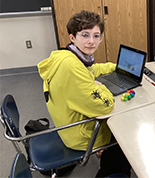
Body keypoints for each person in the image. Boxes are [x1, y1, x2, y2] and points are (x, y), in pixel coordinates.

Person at [38, 10, 131, 177]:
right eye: (85, 35)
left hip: (65, 125)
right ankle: (110, 173)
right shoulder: (73, 68)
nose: (92, 41)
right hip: (80, 135)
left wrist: (116, 68)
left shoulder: (66, 56)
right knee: (123, 132)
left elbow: (91, 70)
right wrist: (100, 86)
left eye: (97, 36)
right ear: (73, 37)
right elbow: (105, 106)